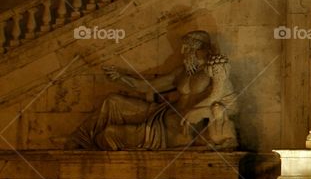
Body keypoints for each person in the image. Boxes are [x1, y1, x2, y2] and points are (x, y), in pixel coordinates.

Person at [69, 30, 239, 150]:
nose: (182, 52)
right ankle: (80, 137)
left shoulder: (216, 73)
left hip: (171, 131)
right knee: (113, 101)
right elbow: (146, 86)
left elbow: (232, 107)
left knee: (109, 134)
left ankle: (89, 140)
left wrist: (200, 111)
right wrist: (121, 78)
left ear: (200, 50)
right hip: (159, 113)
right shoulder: (181, 73)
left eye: (187, 48)